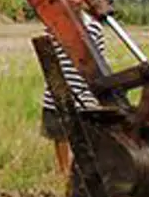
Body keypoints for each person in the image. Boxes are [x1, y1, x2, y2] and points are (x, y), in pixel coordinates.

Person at [42, 11, 111, 178]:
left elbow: (100, 56)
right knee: (60, 133)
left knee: (85, 130)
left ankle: (82, 170)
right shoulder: (54, 23)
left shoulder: (93, 27)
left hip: (83, 84)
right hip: (60, 79)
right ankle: (63, 171)